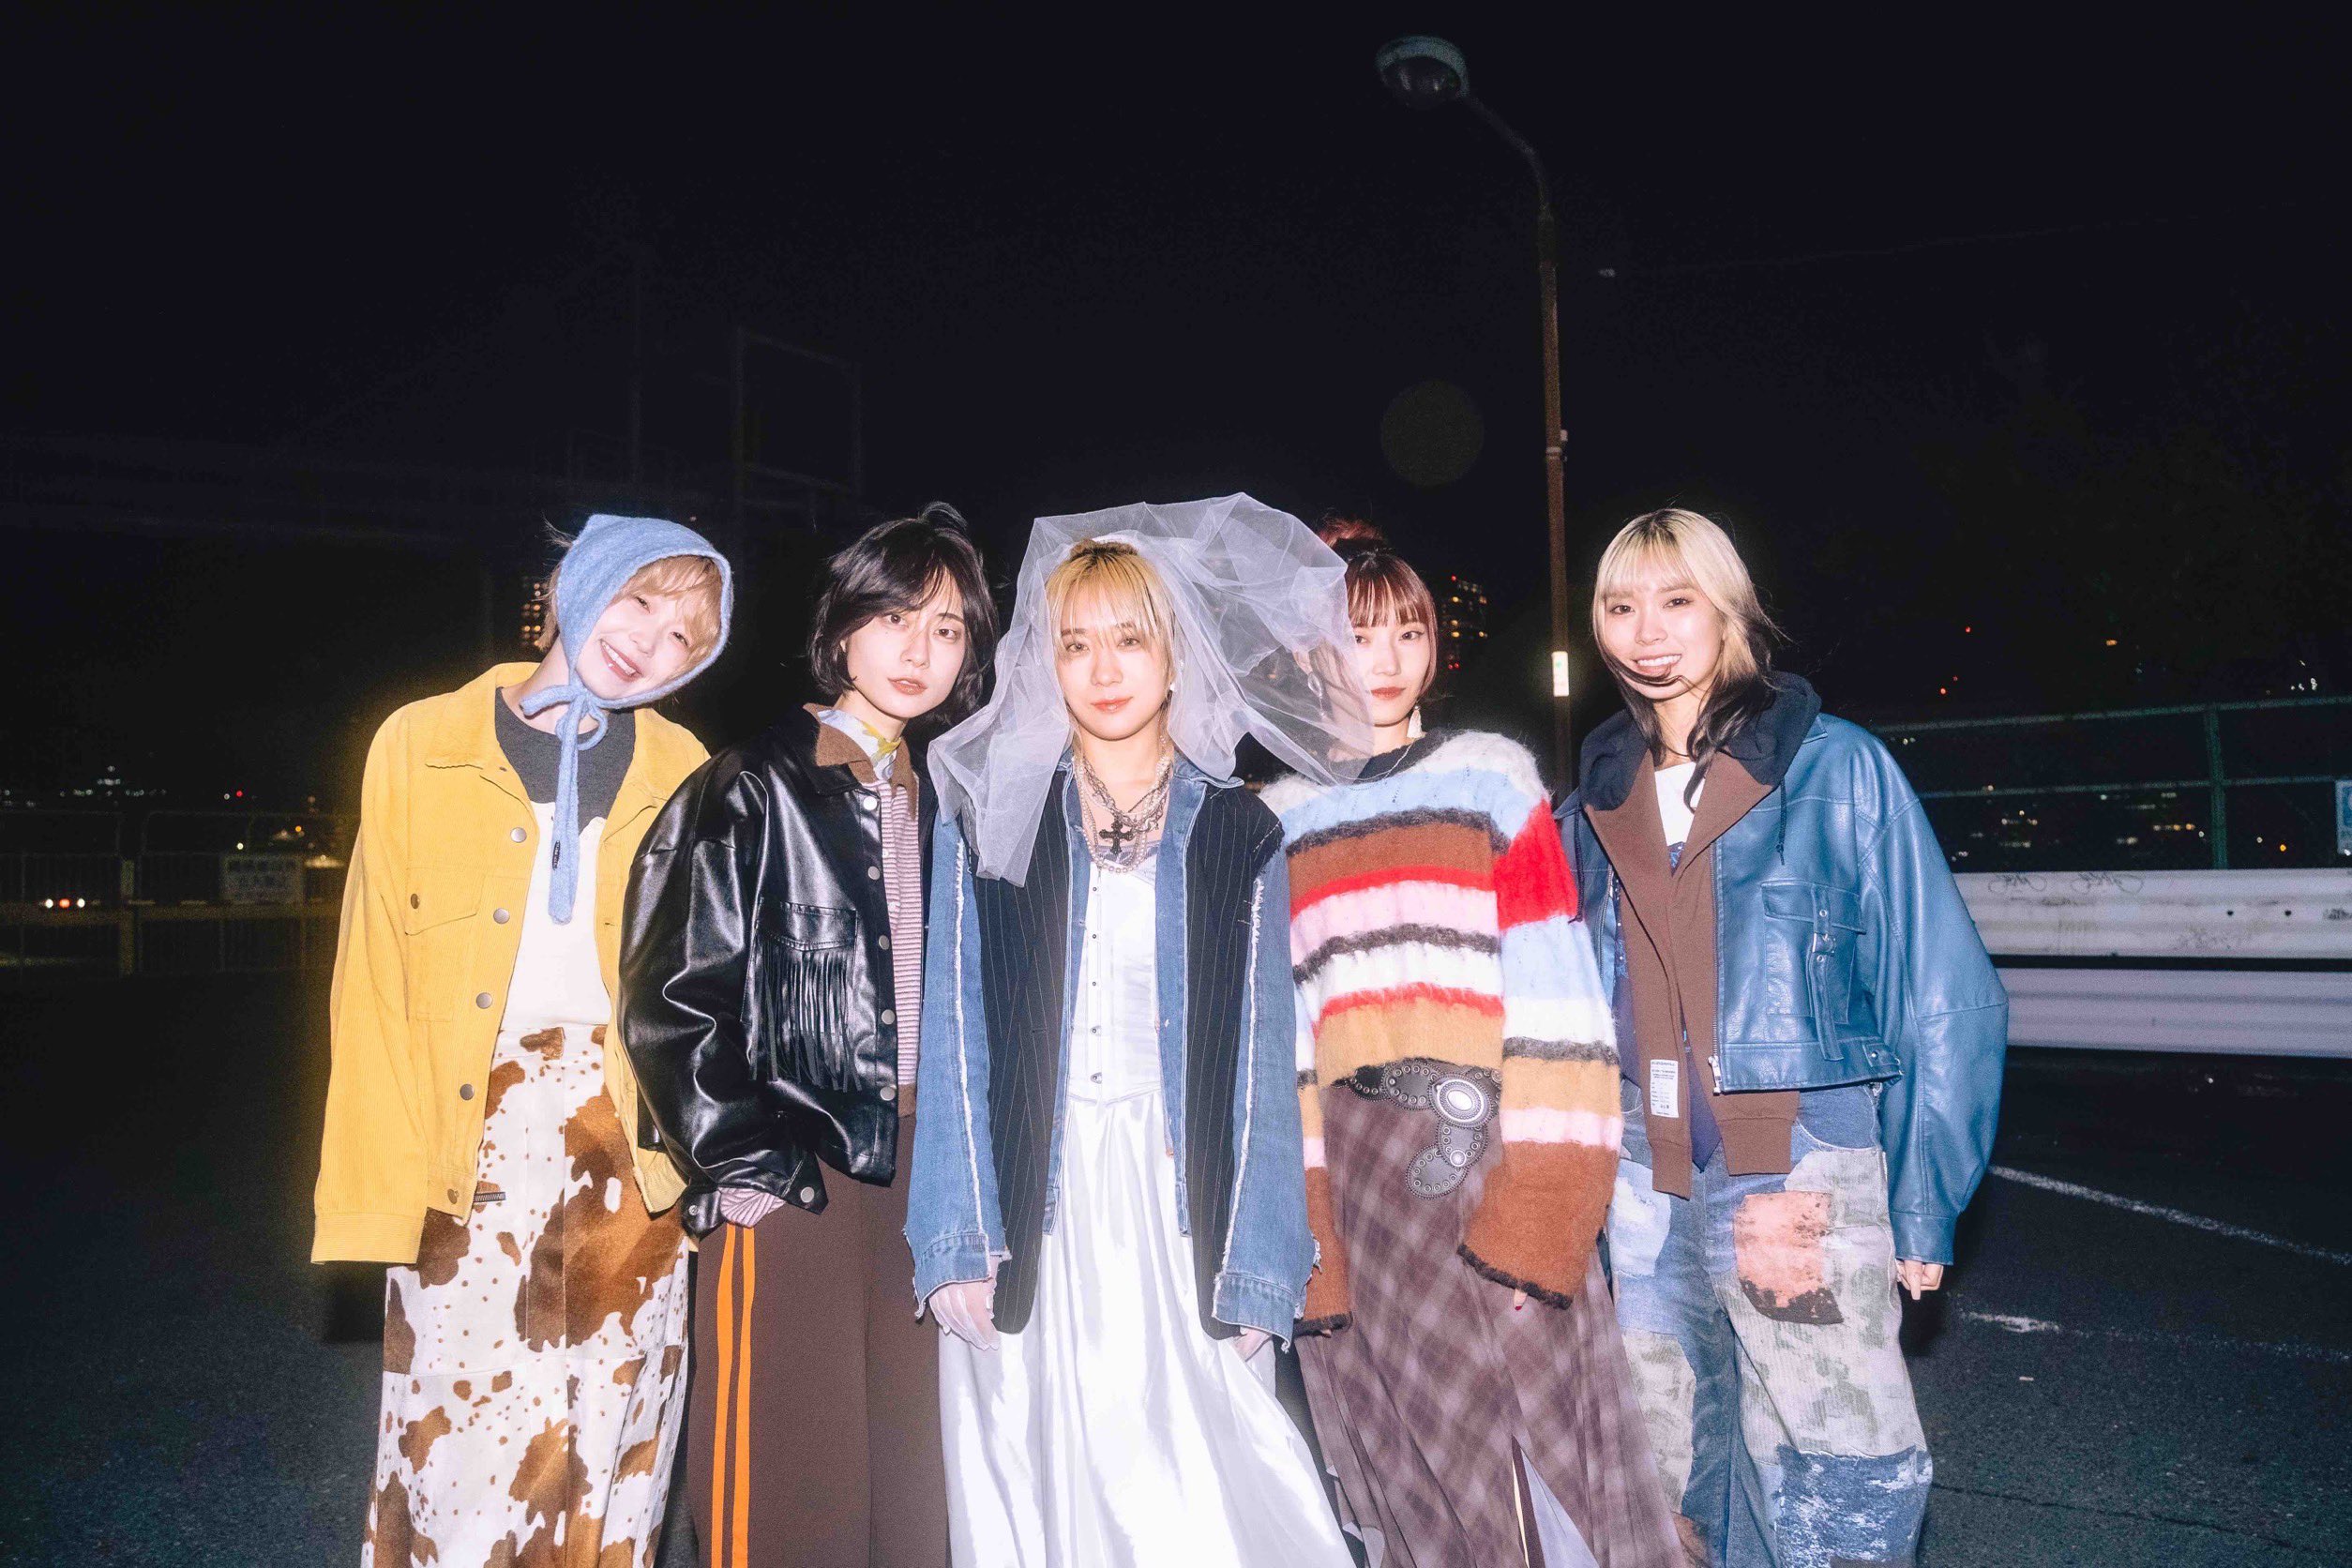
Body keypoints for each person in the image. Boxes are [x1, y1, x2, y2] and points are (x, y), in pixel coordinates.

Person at [904, 495, 1371, 1567]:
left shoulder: (1242, 830)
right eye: (1075, 643)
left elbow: (1264, 1060)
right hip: (1030, 1203)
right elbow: (957, 1035)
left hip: (1179, 1209)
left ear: (1176, 656)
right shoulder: (988, 813)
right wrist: (956, 1235)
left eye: (1129, 639)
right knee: (1035, 1496)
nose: (1104, 668)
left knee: (1213, 1500)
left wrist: (1261, 1260)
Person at [1560, 507, 2008, 1566]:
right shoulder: (1593, 801)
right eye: (1620, 606)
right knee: (1660, 1460)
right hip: (1642, 1176)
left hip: (1799, 1165)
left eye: (1677, 601)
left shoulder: (1835, 768)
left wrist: (1925, 1200)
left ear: (1730, 611)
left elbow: (1944, 994)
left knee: (1835, 1459)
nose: (1647, 632)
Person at [314, 513, 733, 1567]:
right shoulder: (418, 742)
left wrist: (709, 1159)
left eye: (684, 637)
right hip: (468, 1142)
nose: (650, 643)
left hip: (628, 1144)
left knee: (613, 1448)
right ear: (576, 584)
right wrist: (374, 1191)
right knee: (459, 1447)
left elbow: (710, 985)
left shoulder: (686, 767)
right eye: (640, 601)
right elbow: (371, 979)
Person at [1262, 518, 1681, 1568]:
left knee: (1545, 1452)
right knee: (1411, 1450)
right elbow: (1284, 1049)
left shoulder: (1491, 779)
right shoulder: (1282, 818)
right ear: (1313, 655)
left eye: (1408, 632)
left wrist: (1546, 1205)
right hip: (1359, 1177)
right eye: (1358, 636)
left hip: (1488, 1144)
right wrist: (1306, 1231)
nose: (1387, 659)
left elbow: (1559, 1000)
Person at [618, 505, 997, 1568]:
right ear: (843, 628)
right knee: (785, 1470)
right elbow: (670, 992)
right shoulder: (753, 782)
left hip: (922, 1165)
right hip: (795, 1159)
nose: (918, 650)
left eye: (948, 629)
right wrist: (745, 1161)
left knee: (910, 1473)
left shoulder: (949, 796)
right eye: (895, 618)